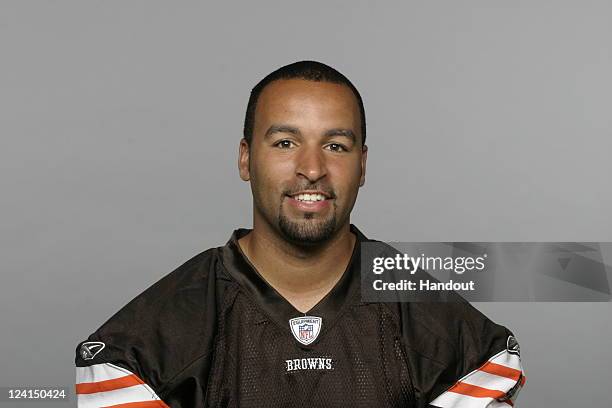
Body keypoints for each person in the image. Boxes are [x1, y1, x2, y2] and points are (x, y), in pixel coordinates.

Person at [75, 61, 525, 407]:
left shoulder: (439, 328)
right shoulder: (141, 349)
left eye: (335, 145)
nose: (312, 169)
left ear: (362, 165)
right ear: (246, 159)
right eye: (285, 143)